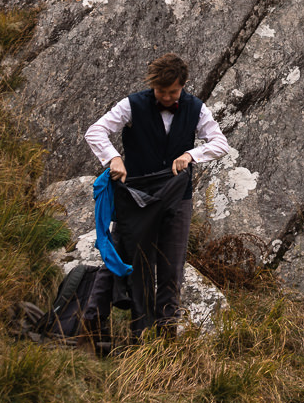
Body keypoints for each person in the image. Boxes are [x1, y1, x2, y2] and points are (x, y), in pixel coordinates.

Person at [83, 52, 230, 337]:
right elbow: (96, 131)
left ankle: (165, 336)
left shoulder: (196, 109)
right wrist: (113, 158)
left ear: (183, 85)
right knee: (128, 259)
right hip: (136, 197)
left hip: (178, 198)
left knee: (171, 267)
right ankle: (110, 327)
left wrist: (191, 154)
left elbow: (220, 143)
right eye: (160, 91)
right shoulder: (132, 104)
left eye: (172, 91)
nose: (165, 97)